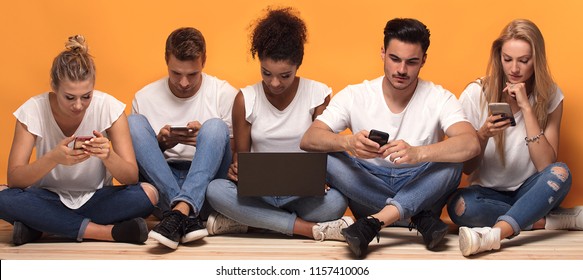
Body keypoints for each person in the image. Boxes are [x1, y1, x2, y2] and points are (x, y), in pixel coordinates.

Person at [300, 18, 481, 258]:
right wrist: (349, 143)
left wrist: (418, 153)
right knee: (326, 156)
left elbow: (470, 143)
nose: (402, 70)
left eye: (412, 62)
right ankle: (416, 216)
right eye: (395, 59)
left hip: (418, 183)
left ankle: (374, 222)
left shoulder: (439, 97)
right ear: (383, 53)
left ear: (424, 60)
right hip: (374, 186)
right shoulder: (356, 94)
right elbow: (309, 138)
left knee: (454, 160)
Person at [206, 7, 353, 241]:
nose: (274, 83)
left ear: (298, 65)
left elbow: (322, 152)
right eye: (266, 73)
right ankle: (306, 228)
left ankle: (254, 222)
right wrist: (236, 171)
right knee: (215, 191)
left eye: (285, 75)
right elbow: (240, 159)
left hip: (300, 195)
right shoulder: (246, 99)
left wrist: (318, 180)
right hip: (259, 194)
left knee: (337, 202)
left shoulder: (318, 94)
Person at [0, 35, 157, 245]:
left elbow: (130, 177)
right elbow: (15, 179)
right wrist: (53, 158)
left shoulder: (109, 108)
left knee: (149, 194)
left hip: (97, 199)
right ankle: (107, 232)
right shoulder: (33, 110)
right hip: (47, 198)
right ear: (54, 87)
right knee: (2, 196)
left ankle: (42, 228)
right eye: (69, 97)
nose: (78, 105)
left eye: (86, 96)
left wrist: (108, 156)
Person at [445, 19, 577, 257]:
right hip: (486, 194)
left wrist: (527, 108)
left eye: (524, 61)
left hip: (530, 190)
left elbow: (547, 166)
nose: (514, 69)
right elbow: (466, 169)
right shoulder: (476, 94)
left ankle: (494, 235)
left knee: (561, 173)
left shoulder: (551, 96)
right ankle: (544, 221)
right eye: (508, 59)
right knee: (459, 207)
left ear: (537, 60)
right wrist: (483, 135)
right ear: (498, 57)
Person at [128, 27, 237, 249]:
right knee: (133, 123)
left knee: (215, 127)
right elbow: (137, 159)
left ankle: (177, 214)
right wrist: (160, 144)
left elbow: (235, 157)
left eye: (192, 74)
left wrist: (206, 143)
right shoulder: (144, 97)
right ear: (166, 61)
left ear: (204, 61)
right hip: (162, 183)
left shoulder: (224, 93)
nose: (184, 83)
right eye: (176, 73)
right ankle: (185, 213)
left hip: (207, 187)